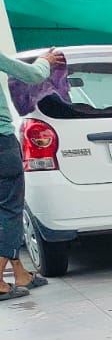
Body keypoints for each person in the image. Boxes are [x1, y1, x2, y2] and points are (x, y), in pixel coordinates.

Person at [0, 46, 66, 299]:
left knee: (5, 209)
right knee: (9, 211)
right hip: (1, 143)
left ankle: (20, 274)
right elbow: (33, 75)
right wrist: (45, 61)